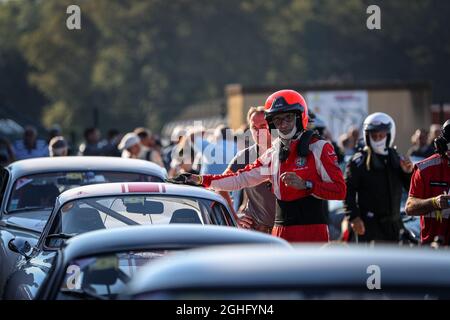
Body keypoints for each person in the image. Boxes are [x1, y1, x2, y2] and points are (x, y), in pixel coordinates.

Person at [172, 89, 346, 242]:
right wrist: (200, 179)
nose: (283, 124)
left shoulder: (319, 147)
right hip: (279, 233)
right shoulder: (274, 153)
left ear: (300, 117)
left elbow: (340, 190)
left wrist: (307, 185)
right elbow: (240, 178)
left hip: (311, 233)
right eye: (278, 121)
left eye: (288, 118)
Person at [343, 112, 413, 243]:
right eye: (374, 136)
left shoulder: (397, 159)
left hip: (395, 225)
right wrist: (353, 218)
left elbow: (411, 189)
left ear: (389, 135)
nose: (378, 139)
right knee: (371, 264)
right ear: (367, 136)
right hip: (369, 226)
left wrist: (408, 172)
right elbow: (348, 192)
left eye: (381, 135)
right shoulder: (358, 162)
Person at [220, 106, 276, 233]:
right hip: (258, 231)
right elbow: (220, 185)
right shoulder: (245, 156)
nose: (258, 132)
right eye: (254, 128)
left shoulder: (286, 152)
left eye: (262, 126)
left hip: (287, 231)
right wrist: (234, 217)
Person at [405, 119, 450, 245]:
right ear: (442, 145)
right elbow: (409, 207)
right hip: (433, 249)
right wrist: (434, 202)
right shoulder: (424, 169)